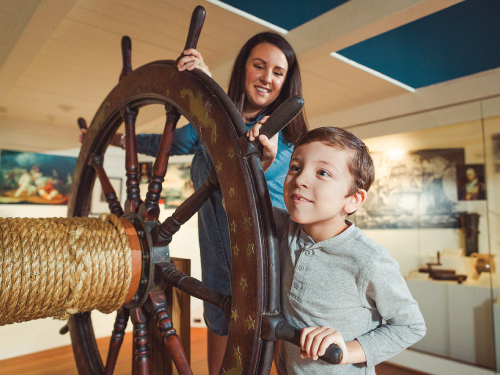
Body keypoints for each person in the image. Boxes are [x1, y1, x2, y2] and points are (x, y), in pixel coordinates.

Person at [79, 32, 308, 374]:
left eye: (278, 72)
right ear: (243, 69)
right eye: (259, 66)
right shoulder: (205, 129)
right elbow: (164, 141)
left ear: (286, 82)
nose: (266, 78)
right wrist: (106, 137)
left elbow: (281, 183)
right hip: (217, 272)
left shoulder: (286, 142)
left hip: (268, 272)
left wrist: (267, 160)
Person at [257, 126, 426, 374]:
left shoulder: (369, 259)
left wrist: (346, 350)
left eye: (322, 172)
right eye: (295, 167)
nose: (300, 179)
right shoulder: (283, 228)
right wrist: (263, 162)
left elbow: (411, 326)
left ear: (353, 199)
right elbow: (241, 204)